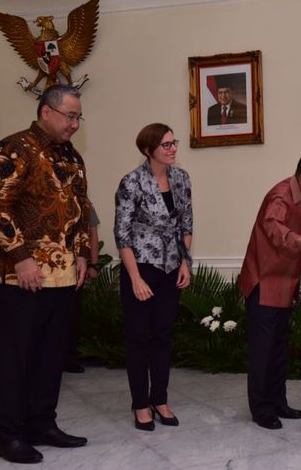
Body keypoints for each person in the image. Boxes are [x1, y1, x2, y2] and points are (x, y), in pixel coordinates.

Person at [0, 84, 91, 464]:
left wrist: (81, 256)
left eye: (79, 117)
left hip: (62, 278)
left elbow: (79, 210)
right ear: (47, 112)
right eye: (70, 116)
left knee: (50, 355)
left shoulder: (72, 157)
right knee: (18, 358)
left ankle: (42, 423)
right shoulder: (13, 149)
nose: (76, 124)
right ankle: (9, 435)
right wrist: (21, 258)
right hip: (21, 277)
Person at [238, 148, 301, 430]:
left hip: (284, 284)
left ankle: (278, 402)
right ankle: (261, 410)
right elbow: (273, 227)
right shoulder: (280, 196)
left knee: (279, 349)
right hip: (264, 283)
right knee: (262, 352)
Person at [114, 123, 193, 432]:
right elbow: (122, 235)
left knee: (163, 337)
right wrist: (135, 278)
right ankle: (140, 405)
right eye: (166, 145)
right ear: (148, 150)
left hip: (172, 267)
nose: (173, 149)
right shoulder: (131, 182)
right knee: (138, 339)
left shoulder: (182, 178)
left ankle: (159, 399)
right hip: (141, 267)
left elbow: (187, 223)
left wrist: (185, 264)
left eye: (174, 143)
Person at [63, 201, 101, 374]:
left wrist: (93, 265)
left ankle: (69, 358)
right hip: (46, 273)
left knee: (72, 316)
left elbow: (92, 233)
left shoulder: (85, 204)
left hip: (75, 270)